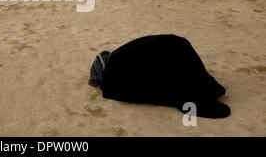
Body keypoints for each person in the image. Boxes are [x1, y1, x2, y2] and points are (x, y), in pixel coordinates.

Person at [89, 35, 230, 119]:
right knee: (189, 74)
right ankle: (208, 88)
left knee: (180, 84)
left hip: (171, 49)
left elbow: (135, 92)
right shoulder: (118, 53)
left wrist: (108, 88)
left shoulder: (117, 67)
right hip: (176, 44)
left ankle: (204, 92)